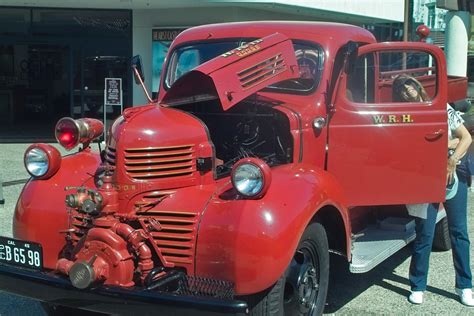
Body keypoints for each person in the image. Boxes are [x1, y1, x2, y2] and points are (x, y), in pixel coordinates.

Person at [392, 74, 474, 306]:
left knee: (459, 233)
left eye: (409, 84)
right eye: (401, 88)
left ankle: (465, 286)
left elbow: (465, 138)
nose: (407, 90)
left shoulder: (441, 109)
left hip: (451, 176)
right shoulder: (402, 117)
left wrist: (451, 160)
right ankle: (418, 285)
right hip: (422, 179)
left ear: (417, 86)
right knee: (424, 234)